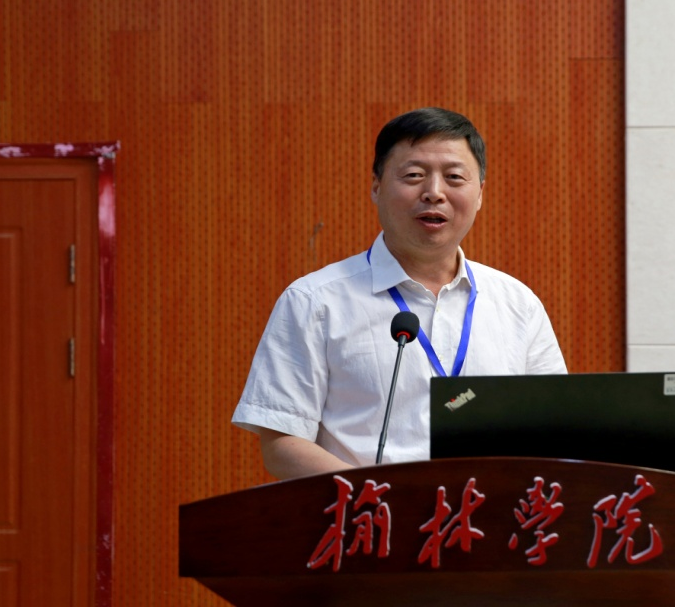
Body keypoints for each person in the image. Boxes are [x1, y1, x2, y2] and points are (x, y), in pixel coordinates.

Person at [232, 107, 566, 480]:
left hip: (489, 512)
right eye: (414, 176)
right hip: (371, 512)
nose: (434, 193)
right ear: (376, 187)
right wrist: (385, 498)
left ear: (480, 194)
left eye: (454, 177)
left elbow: (553, 430)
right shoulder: (314, 302)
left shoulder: (518, 305)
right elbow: (282, 444)